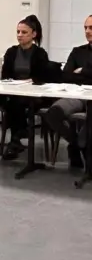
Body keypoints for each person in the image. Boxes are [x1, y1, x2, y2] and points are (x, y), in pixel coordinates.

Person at [0, 15, 52, 160]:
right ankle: (18, 135)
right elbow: (5, 75)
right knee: (12, 102)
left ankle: (16, 139)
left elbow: (44, 76)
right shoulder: (11, 52)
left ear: (33, 34)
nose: (20, 35)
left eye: (24, 32)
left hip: (34, 94)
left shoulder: (40, 53)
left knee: (17, 103)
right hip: (14, 91)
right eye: (18, 32)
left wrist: (30, 81)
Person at [45, 15, 92, 169]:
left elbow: (74, 74)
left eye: (91, 28)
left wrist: (82, 71)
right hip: (76, 93)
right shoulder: (78, 51)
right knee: (53, 114)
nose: (87, 31)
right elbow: (65, 75)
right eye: (85, 28)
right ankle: (76, 144)